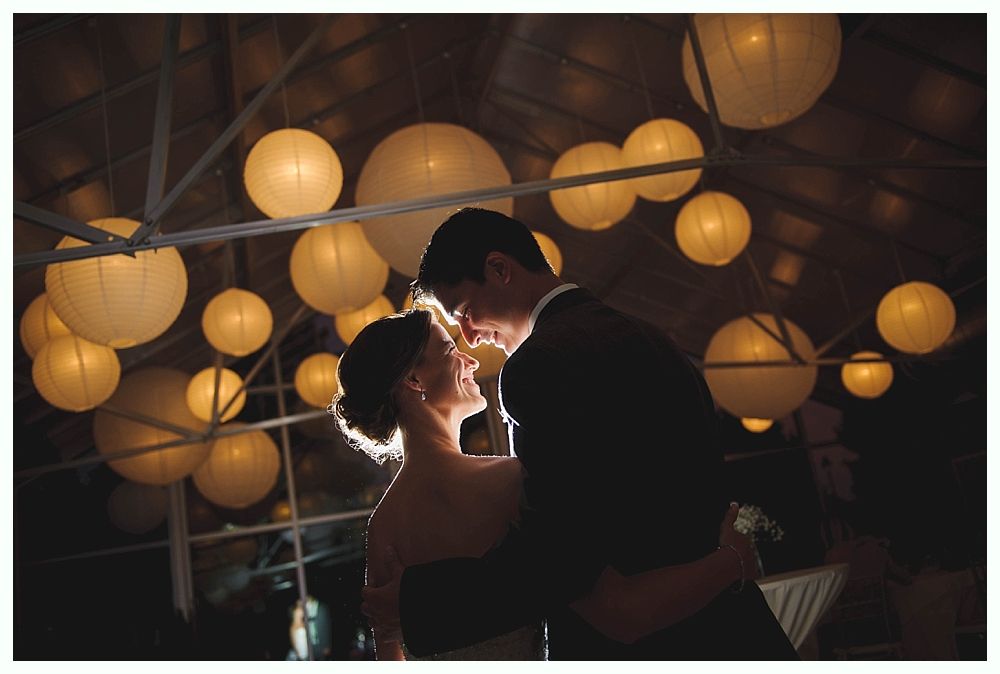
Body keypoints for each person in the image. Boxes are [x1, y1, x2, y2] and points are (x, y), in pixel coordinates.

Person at [360, 208, 797, 660]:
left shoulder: (537, 366)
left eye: (466, 312)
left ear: (499, 269)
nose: (469, 337)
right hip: (730, 629)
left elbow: (559, 559)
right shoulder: (654, 338)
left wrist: (416, 604)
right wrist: (730, 562)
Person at [333, 309, 763, 659]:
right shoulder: (508, 481)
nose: (472, 360)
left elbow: (389, 657)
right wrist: (733, 559)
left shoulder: (383, 525)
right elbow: (622, 612)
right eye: (449, 349)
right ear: (413, 381)